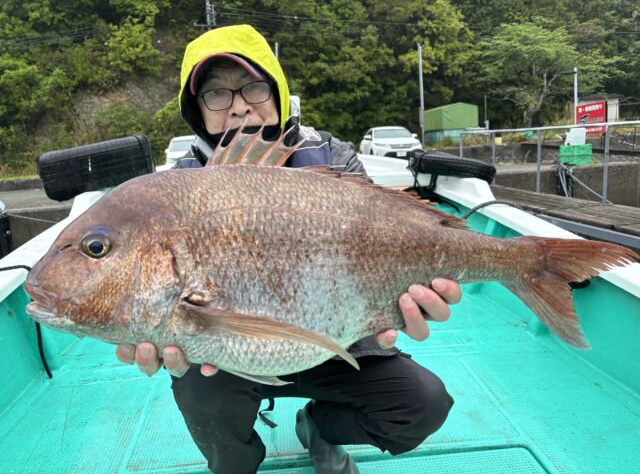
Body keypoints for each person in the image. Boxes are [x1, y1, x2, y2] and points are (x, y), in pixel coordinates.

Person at [116, 24, 461, 474]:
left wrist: (404, 299)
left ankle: (320, 427)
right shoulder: (172, 192)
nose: (239, 105)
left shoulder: (332, 156)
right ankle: (236, 466)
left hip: (338, 340)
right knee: (199, 391)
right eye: (216, 94)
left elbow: (383, 237)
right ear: (197, 111)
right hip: (229, 354)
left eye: (253, 87)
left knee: (424, 403)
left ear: (277, 92)